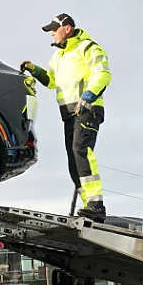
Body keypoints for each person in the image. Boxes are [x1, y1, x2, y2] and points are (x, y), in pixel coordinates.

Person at [21, 13, 111, 222]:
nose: (52, 33)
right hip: (68, 113)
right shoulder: (59, 56)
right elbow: (52, 81)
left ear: (67, 28)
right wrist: (34, 69)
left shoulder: (88, 47)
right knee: (73, 159)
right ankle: (88, 207)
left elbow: (103, 73)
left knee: (81, 151)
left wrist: (88, 96)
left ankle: (96, 205)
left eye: (55, 29)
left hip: (88, 109)